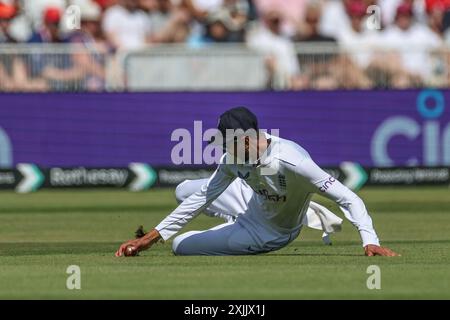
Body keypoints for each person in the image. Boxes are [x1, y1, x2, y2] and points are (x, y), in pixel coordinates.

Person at [116, 107, 399, 257]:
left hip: (270, 231)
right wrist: (150, 238)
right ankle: (245, 216)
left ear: (247, 139)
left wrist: (369, 241)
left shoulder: (293, 162)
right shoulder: (234, 156)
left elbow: (349, 197)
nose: (223, 149)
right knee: (183, 190)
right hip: (252, 198)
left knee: (180, 245)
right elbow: (202, 198)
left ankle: (302, 210)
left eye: (227, 142)